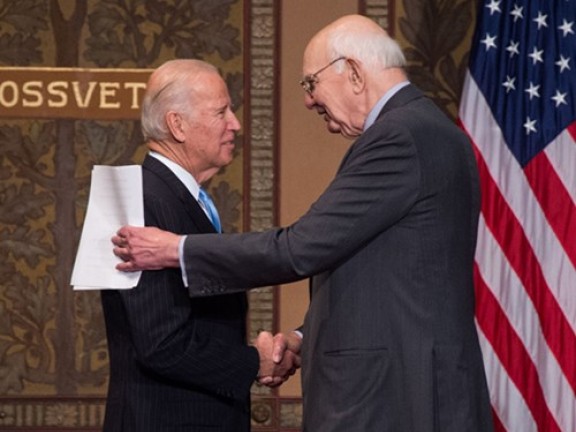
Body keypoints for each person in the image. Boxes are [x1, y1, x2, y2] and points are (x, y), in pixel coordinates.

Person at [112, 15, 494, 432]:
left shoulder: (400, 136)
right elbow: (381, 276)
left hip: (398, 400)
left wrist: (176, 249)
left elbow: (300, 248)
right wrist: (300, 338)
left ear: (351, 72)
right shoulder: (428, 130)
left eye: (310, 83)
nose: (309, 101)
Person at [100, 59, 298, 432]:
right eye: (222, 111)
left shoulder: (183, 198)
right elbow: (162, 343)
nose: (235, 123)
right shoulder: (144, 199)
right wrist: (254, 362)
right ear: (177, 124)